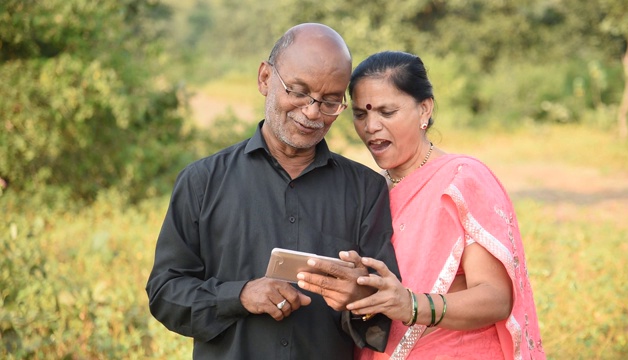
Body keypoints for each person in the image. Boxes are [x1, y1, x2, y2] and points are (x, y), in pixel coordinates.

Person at [145, 24, 400, 360]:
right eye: (298, 91)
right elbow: (165, 293)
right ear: (265, 78)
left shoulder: (366, 190)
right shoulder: (202, 182)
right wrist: (240, 296)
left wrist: (360, 299)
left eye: (330, 102)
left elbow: (386, 307)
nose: (312, 112)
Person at [340, 51, 545, 359]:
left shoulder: (461, 180)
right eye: (360, 114)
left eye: (386, 112)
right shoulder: (369, 191)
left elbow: (496, 298)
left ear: (424, 109)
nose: (371, 126)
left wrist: (412, 305)